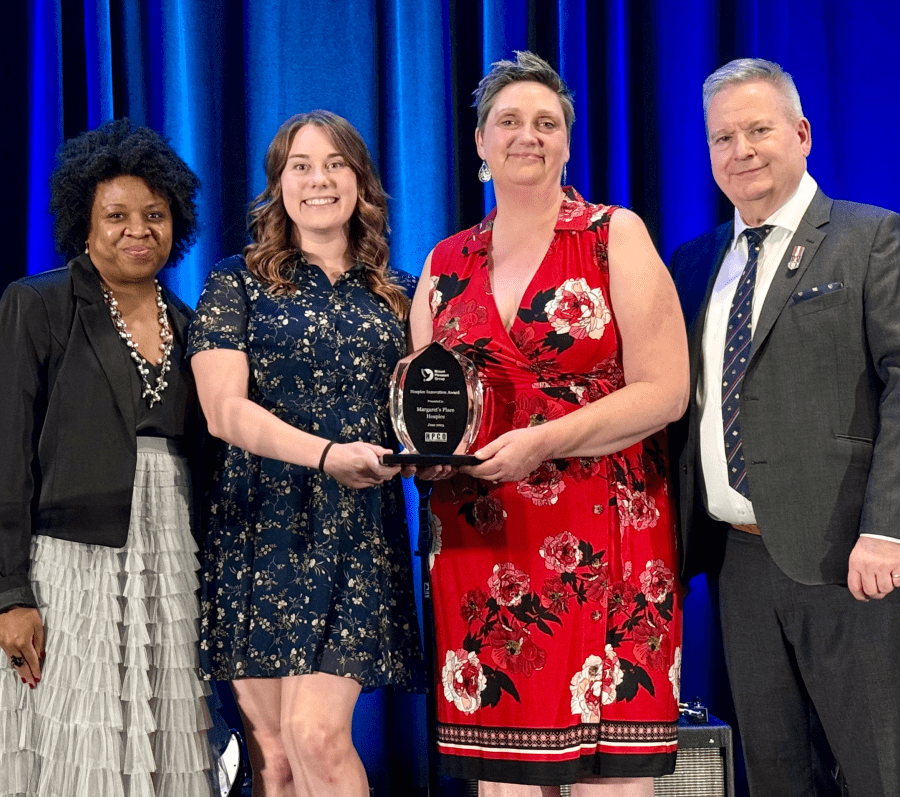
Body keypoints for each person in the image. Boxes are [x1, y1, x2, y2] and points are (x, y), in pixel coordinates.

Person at [409, 52, 688, 796]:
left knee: (610, 779)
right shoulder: (444, 262)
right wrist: (424, 457)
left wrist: (543, 441)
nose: (527, 135)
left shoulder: (611, 234)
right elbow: (429, 410)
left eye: (546, 122)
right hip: (483, 540)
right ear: (480, 142)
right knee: (505, 780)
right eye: (508, 121)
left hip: (605, 533)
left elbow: (666, 391)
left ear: (567, 141)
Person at [669, 57, 900, 796]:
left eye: (758, 130)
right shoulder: (694, 261)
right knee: (775, 775)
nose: (741, 151)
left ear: (801, 134)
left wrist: (887, 529)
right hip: (737, 562)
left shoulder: (871, 237)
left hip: (849, 559)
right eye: (722, 138)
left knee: (877, 771)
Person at [188, 110, 425, 797]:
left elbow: (426, 414)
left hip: (355, 530)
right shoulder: (235, 281)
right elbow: (223, 411)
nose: (318, 179)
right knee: (276, 758)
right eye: (301, 166)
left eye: (335, 164)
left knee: (316, 735)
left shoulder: (402, 292)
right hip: (256, 529)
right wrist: (325, 454)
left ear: (360, 182)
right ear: (279, 184)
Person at [0, 120, 213, 796]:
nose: (137, 230)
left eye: (155, 214)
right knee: (75, 742)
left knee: (161, 741)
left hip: (168, 556)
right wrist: (10, 595)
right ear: (84, 225)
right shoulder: (36, 303)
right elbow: (7, 454)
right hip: (69, 563)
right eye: (116, 215)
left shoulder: (192, 323)